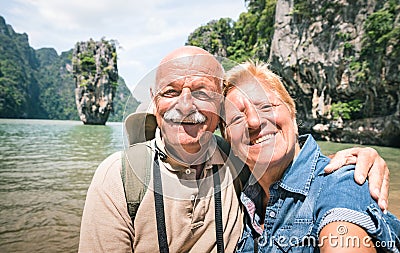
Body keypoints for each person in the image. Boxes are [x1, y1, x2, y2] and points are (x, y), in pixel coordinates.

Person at [78, 46, 390, 252]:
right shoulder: (120, 177)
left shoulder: (339, 180)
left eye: (201, 92)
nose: (185, 106)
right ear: (154, 100)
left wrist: (358, 163)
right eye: (171, 92)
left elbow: (342, 226)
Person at [222, 60, 400, 252]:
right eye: (236, 118)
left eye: (266, 106)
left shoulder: (343, 181)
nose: (254, 121)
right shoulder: (236, 193)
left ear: (293, 117)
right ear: (227, 139)